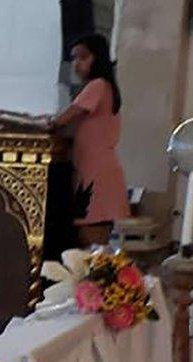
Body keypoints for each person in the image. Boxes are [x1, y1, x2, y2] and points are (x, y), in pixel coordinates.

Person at [50, 34, 130, 247]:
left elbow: (60, 121)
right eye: (74, 58)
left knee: (92, 244)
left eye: (83, 57)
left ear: (98, 58)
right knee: (89, 242)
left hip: (96, 173)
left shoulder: (98, 86)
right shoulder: (102, 87)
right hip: (93, 169)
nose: (76, 63)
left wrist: (42, 123)